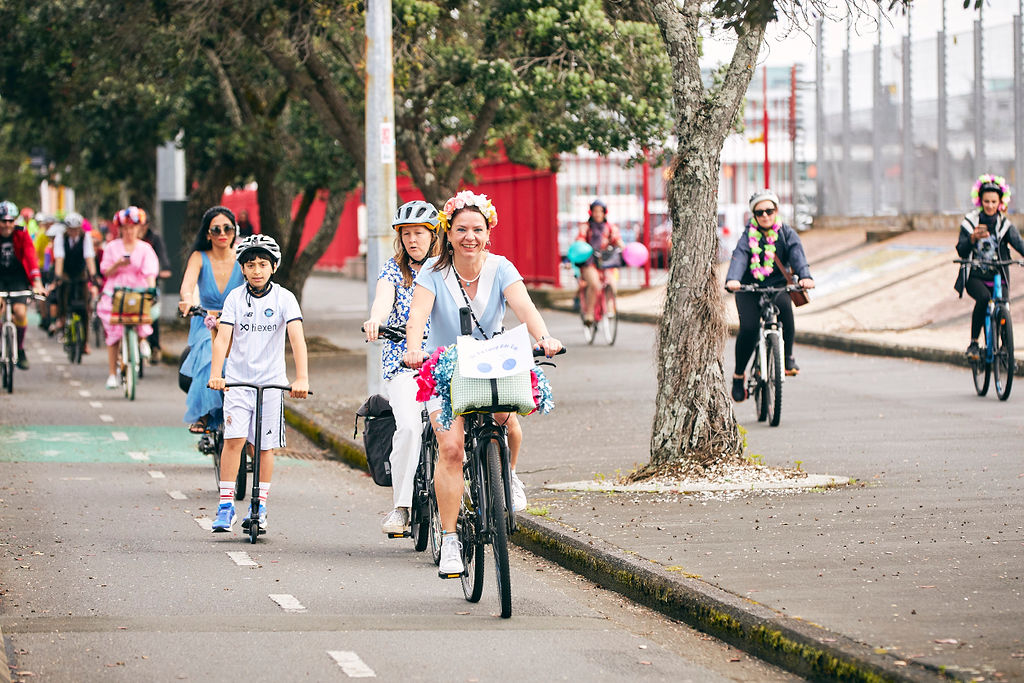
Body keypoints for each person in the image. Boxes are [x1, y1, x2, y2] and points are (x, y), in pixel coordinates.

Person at [403, 191, 563, 577]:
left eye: (477, 229)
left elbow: (526, 308)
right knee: (452, 448)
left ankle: (506, 476)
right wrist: (412, 349)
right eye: (461, 229)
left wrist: (544, 338)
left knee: (510, 424)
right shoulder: (432, 273)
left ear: (488, 231)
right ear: (449, 232)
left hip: (492, 363)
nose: (469, 236)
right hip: (444, 369)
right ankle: (451, 541)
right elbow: (418, 315)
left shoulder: (502, 268)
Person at [207, 234, 309, 533]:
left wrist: (301, 378)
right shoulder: (235, 298)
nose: (256, 270)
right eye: (250, 264)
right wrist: (217, 373)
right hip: (237, 382)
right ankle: (225, 504)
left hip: (272, 385)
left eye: (263, 264)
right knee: (234, 441)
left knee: (265, 447)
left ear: (273, 267)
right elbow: (223, 337)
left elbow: (297, 339)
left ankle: (259, 505)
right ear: (242, 268)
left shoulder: (285, 299)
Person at [362, 200, 440, 536]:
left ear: (433, 235)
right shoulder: (393, 270)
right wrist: (376, 320)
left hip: (444, 360)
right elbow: (382, 299)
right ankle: (402, 507)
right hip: (404, 361)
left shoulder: (446, 271)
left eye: (419, 233)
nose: (412, 240)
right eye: (406, 233)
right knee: (408, 426)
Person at [725, 189, 815, 402]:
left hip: (777, 286)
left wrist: (805, 276)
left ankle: (787, 357)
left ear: (776, 211)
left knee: (786, 311)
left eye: (769, 210)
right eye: (759, 212)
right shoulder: (748, 236)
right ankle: (739, 375)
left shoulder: (786, 233)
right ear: (753, 216)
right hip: (748, 288)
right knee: (748, 328)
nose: (765, 215)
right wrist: (733, 279)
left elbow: (797, 256)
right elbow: (740, 257)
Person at [177, 206, 245, 434]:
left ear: (235, 231)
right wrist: (187, 300)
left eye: (228, 228)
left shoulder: (243, 257)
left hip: (238, 322)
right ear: (208, 234)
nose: (222, 233)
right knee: (210, 348)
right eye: (216, 229)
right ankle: (205, 415)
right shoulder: (199, 257)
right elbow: (187, 286)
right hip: (205, 322)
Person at [955, 174, 1024, 361]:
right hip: (975, 276)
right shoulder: (970, 222)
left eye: (994, 201)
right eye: (986, 201)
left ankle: (1005, 349)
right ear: (980, 201)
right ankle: (974, 343)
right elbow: (961, 249)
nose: (990, 205)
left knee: (1004, 307)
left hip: (998, 275)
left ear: (1000, 202)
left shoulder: (1005, 225)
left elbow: (1019, 244)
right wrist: (972, 239)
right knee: (984, 299)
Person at [96, 208, 160, 389]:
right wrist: (118, 264)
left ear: (139, 229)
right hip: (115, 291)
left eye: (133, 228)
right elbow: (105, 271)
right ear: (120, 229)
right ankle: (111, 374)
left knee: (145, 312)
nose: (129, 231)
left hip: (137, 290)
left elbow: (150, 272)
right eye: (126, 228)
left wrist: (151, 289)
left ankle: (142, 341)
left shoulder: (145, 249)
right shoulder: (111, 247)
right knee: (113, 334)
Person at [0, 200, 45, 370]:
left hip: (18, 277)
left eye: (10, 221)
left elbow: (31, 257)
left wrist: (37, 282)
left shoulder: (22, 234)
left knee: (19, 313)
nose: (7, 225)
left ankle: (20, 349)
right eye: (3, 221)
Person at [52, 212, 98, 354]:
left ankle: (84, 344)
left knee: (84, 307)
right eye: (71, 229)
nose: (73, 232)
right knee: (63, 290)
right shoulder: (60, 238)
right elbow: (59, 258)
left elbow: (89, 257)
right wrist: (58, 277)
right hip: (66, 270)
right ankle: (62, 317)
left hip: (79, 272)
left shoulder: (86, 238)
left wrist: (93, 277)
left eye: (76, 229)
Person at [577, 199, 624, 325]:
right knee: (595, 284)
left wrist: (623, 249)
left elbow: (618, 241)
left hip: (606, 261)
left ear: (604, 213)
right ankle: (589, 313)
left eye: (600, 211)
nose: (598, 214)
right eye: (595, 211)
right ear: (591, 212)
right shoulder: (585, 227)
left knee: (611, 283)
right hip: (589, 261)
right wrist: (583, 247)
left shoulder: (610, 227)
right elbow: (580, 240)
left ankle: (609, 307)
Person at [137, 211, 173, 363]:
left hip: (150, 282)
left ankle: (155, 345)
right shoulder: (126, 241)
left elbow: (162, 256)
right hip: (131, 284)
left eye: (142, 225)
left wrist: (164, 269)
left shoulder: (154, 238)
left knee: (152, 315)